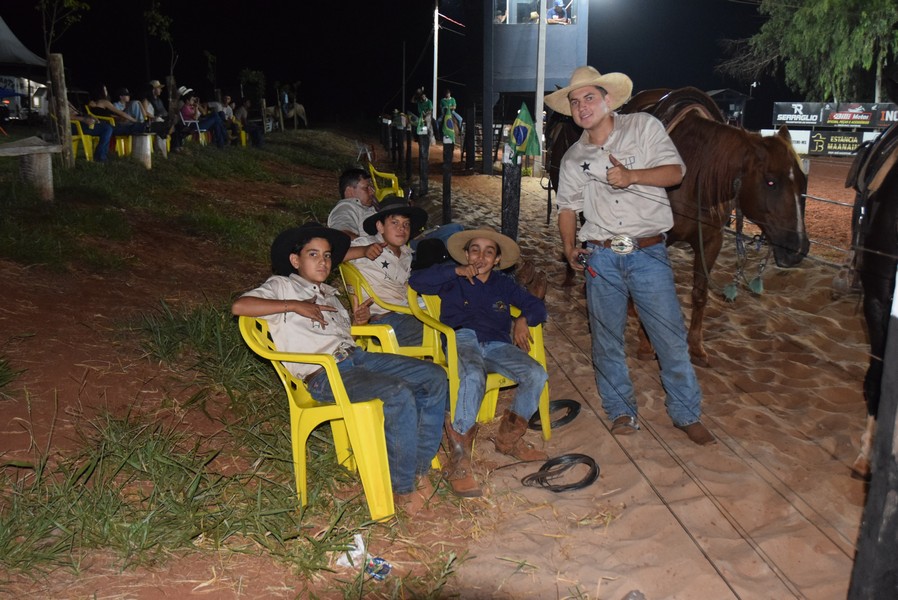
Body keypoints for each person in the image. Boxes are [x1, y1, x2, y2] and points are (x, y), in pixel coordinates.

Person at [546, 65, 715, 446]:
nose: (582, 106)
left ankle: (686, 413)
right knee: (606, 340)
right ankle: (621, 410)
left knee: (669, 336)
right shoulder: (573, 158)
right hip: (600, 256)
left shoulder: (643, 127)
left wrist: (633, 176)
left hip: (648, 251)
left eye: (589, 97)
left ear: (607, 99)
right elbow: (568, 208)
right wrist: (569, 247)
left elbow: (676, 172)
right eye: (575, 101)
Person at [231, 223, 447, 514]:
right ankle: (401, 487)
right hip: (324, 374)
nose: (323, 261)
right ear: (296, 261)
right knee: (398, 393)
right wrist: (293, 305)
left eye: (328, 255)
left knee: (434, 376)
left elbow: (342, 338)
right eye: (313, 254)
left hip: (356, 358)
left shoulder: (330, 294)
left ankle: (417, 467)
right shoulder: (282, 285)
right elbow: (240, 306)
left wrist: (357, 323)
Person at [409, 228, 549, 497]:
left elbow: (536, 306)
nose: (481, 256)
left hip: (497, 344)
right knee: (473, 374)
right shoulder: (452, 277)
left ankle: (508, 440)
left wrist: (523, 319)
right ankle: (460, 456)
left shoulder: (503, 284)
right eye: (475, 250)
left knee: (536, 373)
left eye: (489, 252)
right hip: (462, 338)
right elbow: (417, 282)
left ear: (497, 259)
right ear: (465, 254)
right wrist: (455, 271)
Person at [345, 195, 429, 347]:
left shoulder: (407, 254)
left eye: (406, 224)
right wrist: (363, 251)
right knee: (441, 332)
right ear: (380, 226)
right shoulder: (367, 243)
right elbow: (332, 256)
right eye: (394, 222)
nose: (401, 228)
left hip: (406, 313)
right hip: (382, 320)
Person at [327, 167, 378, 240]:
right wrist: (368, 246)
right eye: (366, 188)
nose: (372, 192)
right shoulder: (346, 208)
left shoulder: (370, 206)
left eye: (371, 188)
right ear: (349, 191)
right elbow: (342, 234)